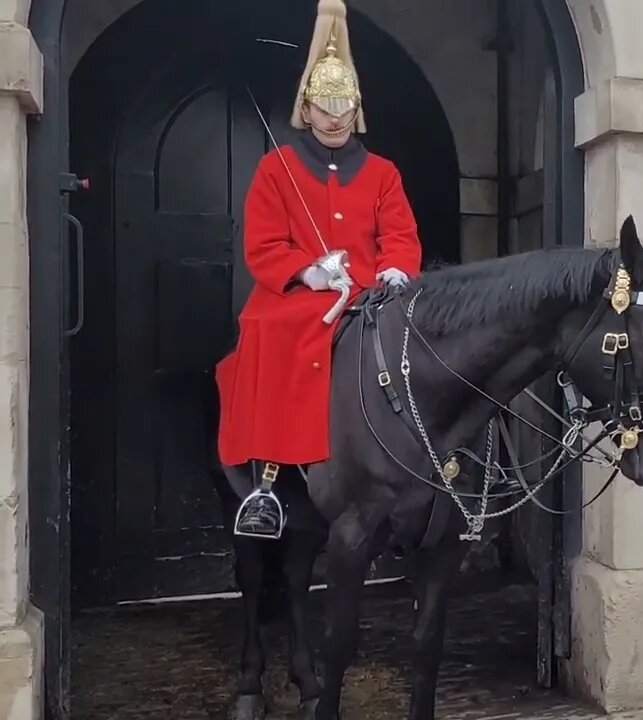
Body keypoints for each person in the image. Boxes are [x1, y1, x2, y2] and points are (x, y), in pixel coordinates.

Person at [215, 0, 423, 538]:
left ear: (357, 110)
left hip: (369, 293)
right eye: (324, 106)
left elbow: (398, 235)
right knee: (271, 330)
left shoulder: (383, 173)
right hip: (296, 296)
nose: (334, 117)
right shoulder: (274, 168)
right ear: (306, 109)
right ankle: (267, 484)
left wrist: (396, 271)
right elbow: (262, 244)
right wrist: (307, 272)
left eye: (343, 106)